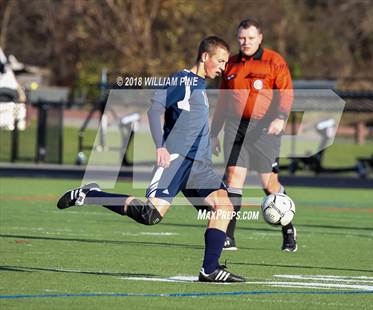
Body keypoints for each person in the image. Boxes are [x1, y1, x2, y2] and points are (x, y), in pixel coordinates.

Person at [57, 36, 245, 282]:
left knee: (225, 207)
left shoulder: (200, 85)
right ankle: (89, 195)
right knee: (150, 215)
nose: (223, 67)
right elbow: (155, 108)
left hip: (198, 167)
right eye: (220, 61)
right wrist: (160, 146)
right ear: (204, 56)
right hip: (176, 161)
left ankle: (210, 269)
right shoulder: (182, 80)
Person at [210, 19, 297, 251]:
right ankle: (228, 236)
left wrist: (280, 117)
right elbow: (222, 102)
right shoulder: (231, 65)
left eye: (250, 38)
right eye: (241, 38)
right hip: (235, 127)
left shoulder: (274, 61)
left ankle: (288, 229)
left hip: (264, 129)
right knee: (232, 179)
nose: (245, 42)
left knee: (268, 184)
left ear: (260, 37)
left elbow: (286, 93)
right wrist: (213, 133)